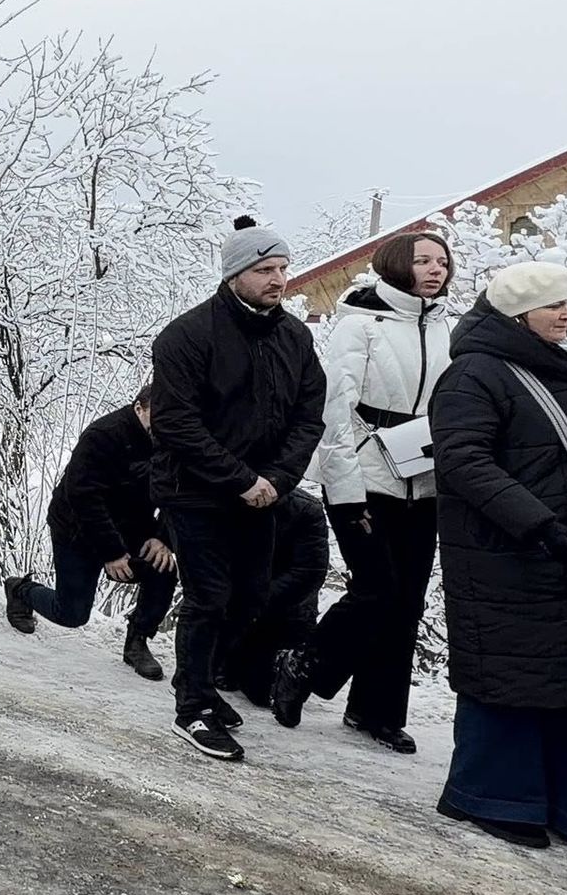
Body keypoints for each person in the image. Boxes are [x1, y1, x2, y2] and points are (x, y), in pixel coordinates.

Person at [427, 261, 567, 852]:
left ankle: (565, 803)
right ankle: (490, 796)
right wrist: (537, 523)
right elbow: (464, 461)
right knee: (513, 671)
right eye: (554, 305)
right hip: (506, 552)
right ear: (516, 313)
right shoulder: (474, 374)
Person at [151, 216, 325, 762]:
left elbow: (309, 415)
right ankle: (193, 707)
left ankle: (201, 677)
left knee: (251, 597)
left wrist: (275, 480)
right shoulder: (187, 335)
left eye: (282, 269)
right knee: (210, 597)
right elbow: (176, 423)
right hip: (197, 491)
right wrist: (241, 479)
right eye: (265, 270)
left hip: (265, 494)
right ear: (235, 275)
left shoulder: (295, 336)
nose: (279, 280)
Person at [273, 232, 455, 753]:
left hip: (424, 478)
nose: (434, 269)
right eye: (423, 260)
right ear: (398, 265)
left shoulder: (449, 327)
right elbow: (334, 412)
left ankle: (376, 711)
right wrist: (346, 489)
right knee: (377, 585)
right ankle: (303, 663)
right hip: (366, 474)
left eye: (442, 261)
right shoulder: (360, 323)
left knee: (407, 600)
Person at [4, 386, 178, 681]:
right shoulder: (103, 435)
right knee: (72, 613)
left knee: (163, 565)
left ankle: (138, 641)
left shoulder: (175, 441)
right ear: (140, 408)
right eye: (158, 417)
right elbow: (83, 497)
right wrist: (110, 551)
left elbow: (180, 492)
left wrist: (163, 537)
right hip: (77, 527)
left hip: (133, 524)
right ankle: (20, 590)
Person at [220, 489, 331, 709]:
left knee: (262, 693)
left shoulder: (306, 510)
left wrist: (255, 598)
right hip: (238, 606)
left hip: (283, 610)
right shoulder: (227, 498)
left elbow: (309, 572)